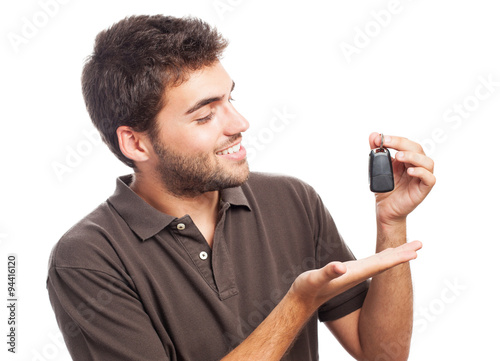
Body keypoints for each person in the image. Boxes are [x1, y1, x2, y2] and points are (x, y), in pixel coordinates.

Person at [46, 15, 435, 361]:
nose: (240, 123)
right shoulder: (86, 259)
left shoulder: (293, 201)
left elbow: (383, 356)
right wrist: (297, 304)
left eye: (231, 98)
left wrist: (391, 224)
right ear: (135, 143)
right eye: (205, 115)